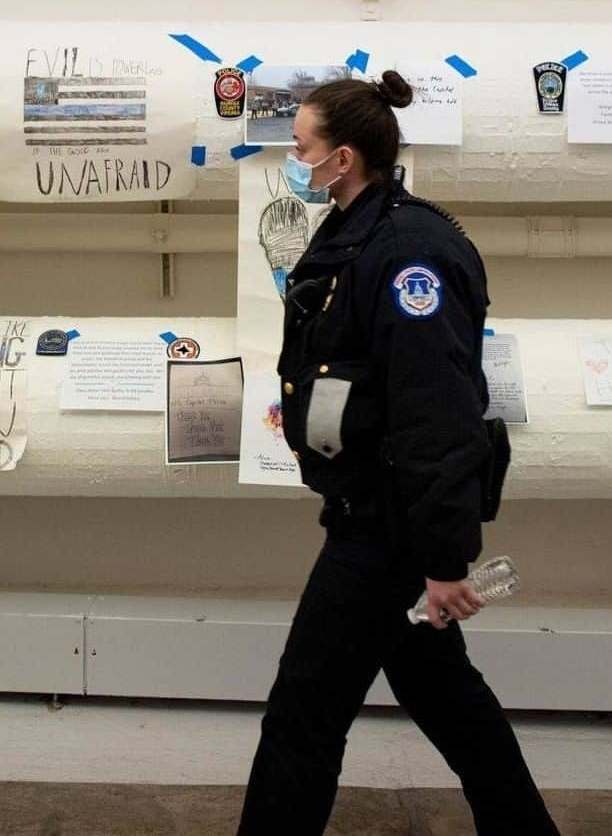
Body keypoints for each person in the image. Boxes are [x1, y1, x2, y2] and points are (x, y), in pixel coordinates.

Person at [238, 72, 559, 835]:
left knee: (302, 719)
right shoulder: (357, 231)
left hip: (383, 531)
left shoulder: (410, 252)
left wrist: (446, 560)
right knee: (450, 702)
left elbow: (438, 414)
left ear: (342, 157)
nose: (294, 157)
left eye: (302, 145)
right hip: (377, 514)